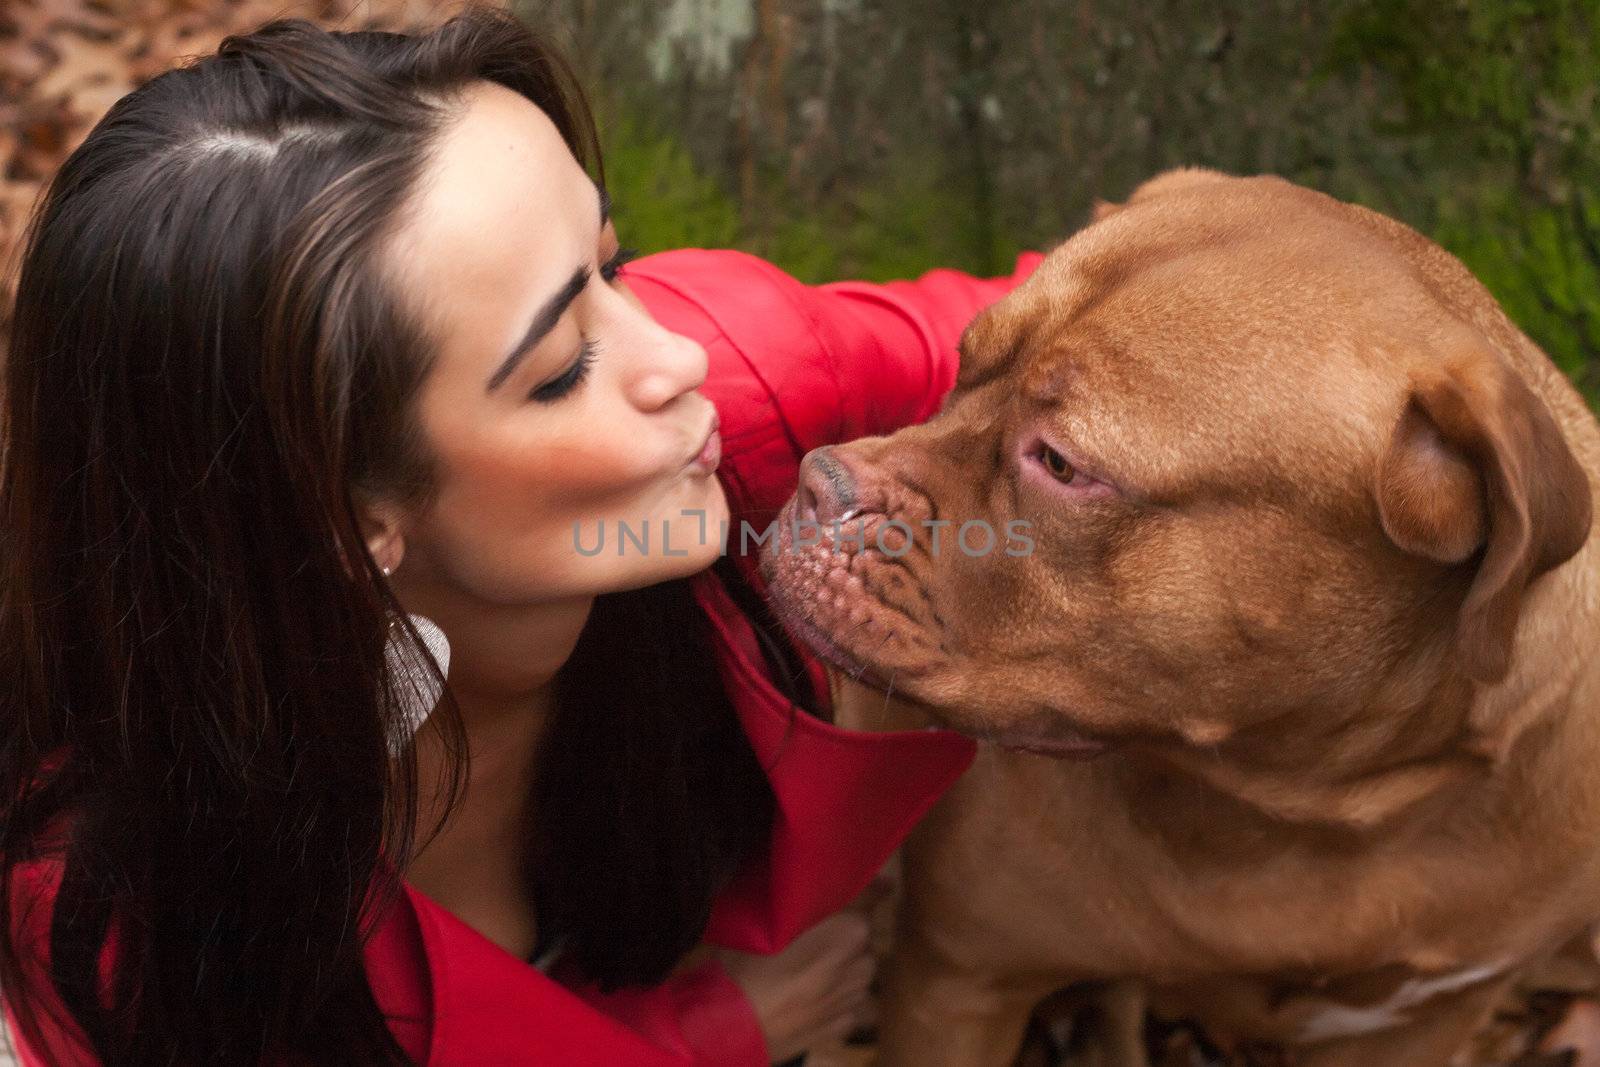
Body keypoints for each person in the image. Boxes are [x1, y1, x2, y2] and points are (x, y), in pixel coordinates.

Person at [0, 8, 1039, 1065]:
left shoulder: (747, 375)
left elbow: (1088, 326)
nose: (672, 355)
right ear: (344, 519)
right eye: (561, 369)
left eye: (613, 265)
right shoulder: (116, 905)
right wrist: (704, 1039)